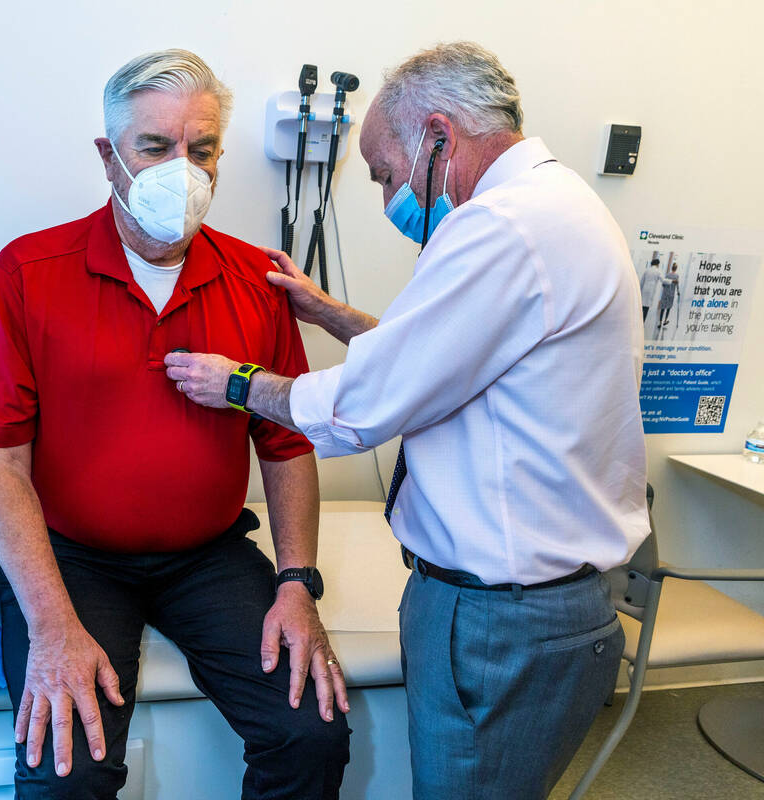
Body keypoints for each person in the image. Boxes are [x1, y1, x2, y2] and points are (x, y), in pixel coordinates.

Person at [167, 42, 650, 799]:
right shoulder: (559, 210)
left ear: (436, 135)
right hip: (544, 606)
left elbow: (360, 409)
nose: (392, 195)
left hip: (500, 620)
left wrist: (236, 382)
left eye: (386, 174)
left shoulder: (502, 227)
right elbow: (456, 359)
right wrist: (335, 316)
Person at [0, 49, 350, 800]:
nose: (183, 168)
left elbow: (287, 442)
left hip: (207, 556)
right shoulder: (29, 272)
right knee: (65, 771)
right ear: (110, 157)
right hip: (73, 558)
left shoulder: (255, 282)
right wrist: (51, 625)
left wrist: (296, 584)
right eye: (155, 146)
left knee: (312, 733)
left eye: (201, 150)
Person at [657, 262, 681, 328]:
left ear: (671, 268)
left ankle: (660, 322)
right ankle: (665, 320)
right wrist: (678, 292)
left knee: (662, 308)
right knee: (668, 307)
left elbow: (663, 284)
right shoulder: (677, 276)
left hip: (665, 293)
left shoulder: (667, 275)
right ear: (676, 269)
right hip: (671, 294)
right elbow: (677, 285)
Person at [640, 256, 663, 321]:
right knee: (646, 308)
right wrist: (671, 281)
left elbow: (641, 282)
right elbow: (663, 280)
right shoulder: (658, 271)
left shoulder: (647, 270)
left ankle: (638, 322)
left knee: (642, 306)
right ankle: (643, 322)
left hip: (644, 289)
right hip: (651, 291)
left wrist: (639, 291)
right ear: (657, 264)